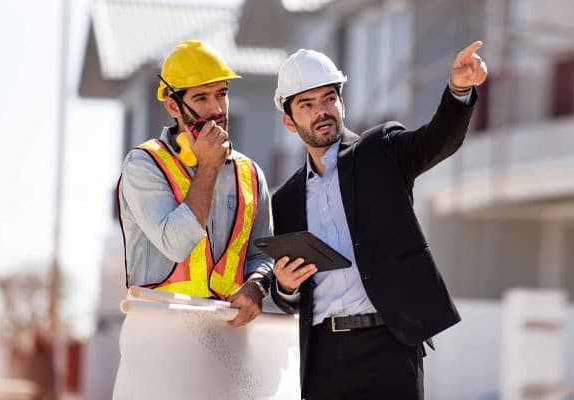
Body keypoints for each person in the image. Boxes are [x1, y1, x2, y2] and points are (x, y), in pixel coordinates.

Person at [270, 41, 488, 399]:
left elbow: (438, 139)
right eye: (307, 105)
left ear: (342, 103)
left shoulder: (380, 151)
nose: (322, 111)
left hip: (389, 346)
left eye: (328, 98)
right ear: (289, 121)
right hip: (324, 359)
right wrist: (286, 287)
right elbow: (292, 297)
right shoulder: (286, 201)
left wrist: (459, 89)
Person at [117, 40, 272, 327]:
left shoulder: (250, 174)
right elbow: (176, 244)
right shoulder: (144, 165)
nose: (216, 109)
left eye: (222, 94)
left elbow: (262, 255)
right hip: (160, 335)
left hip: (227, 335)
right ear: (173, 105)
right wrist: (209, 166)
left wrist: (257, 285)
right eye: (201, 98)